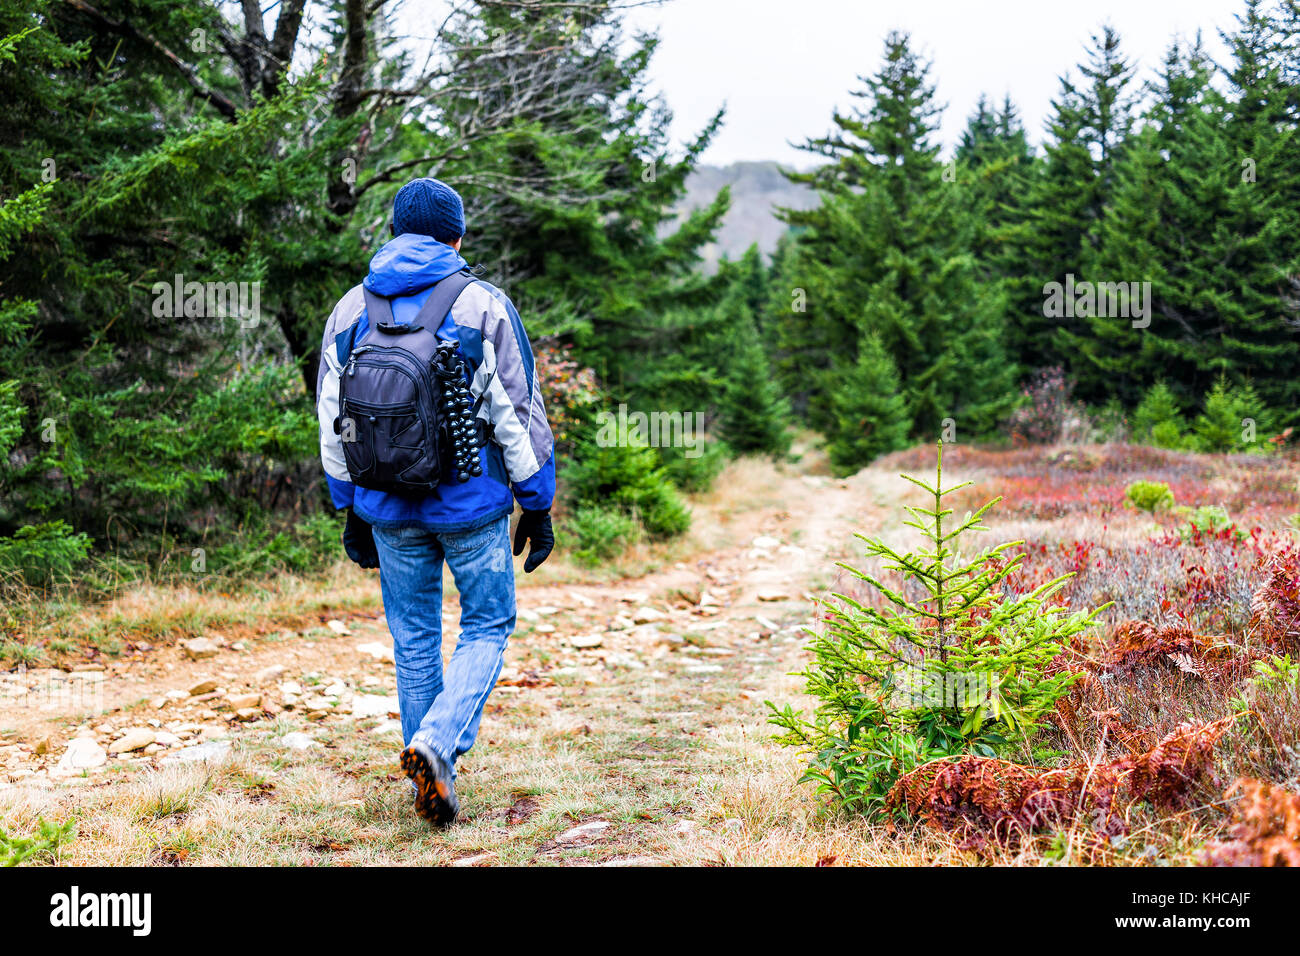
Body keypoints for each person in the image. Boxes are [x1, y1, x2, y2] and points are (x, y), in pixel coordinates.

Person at [315, 177, 555, 826]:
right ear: (457, 236)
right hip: (471, 506)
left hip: (386, 508)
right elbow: (517, 413)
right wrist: (536, 502)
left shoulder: (350, 308)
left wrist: (349, 507)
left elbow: (332, 419)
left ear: (395, 231)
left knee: (415, 636)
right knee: (486, 625)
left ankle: (432, 768)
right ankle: (436, 748)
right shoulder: (482, 304)